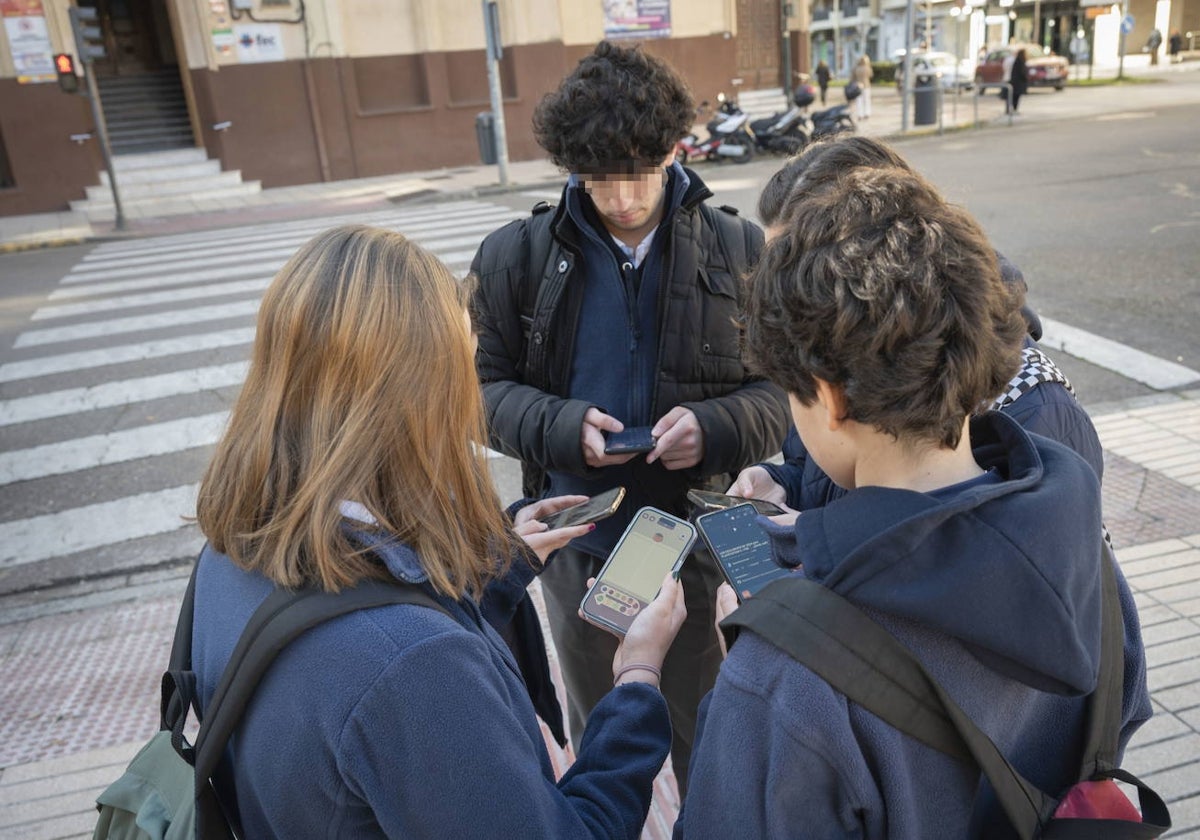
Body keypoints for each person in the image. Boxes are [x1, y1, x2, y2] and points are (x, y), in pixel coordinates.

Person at [675, 164, 1152, 838]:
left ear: (830, 397)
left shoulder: (783, 680)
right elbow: (1118, 718)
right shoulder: (1084, 555)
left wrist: (754, 688)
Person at [191, 224, 689, 838]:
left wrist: (499, 573)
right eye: (462, 371)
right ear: (417, 401)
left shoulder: (228, 551)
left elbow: (354, 638)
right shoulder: (417, 667)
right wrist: (637, 679)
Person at [470, 41, 790, 795]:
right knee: (605, 730)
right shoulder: (514, 256)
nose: (619, 198)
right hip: (580, 539)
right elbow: (479, 392)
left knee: (710, 729)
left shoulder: (739, 247)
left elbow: (782, 393)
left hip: (709, 537)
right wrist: (559, 425)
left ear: (674, 149)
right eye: (596, 179)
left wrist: (714, 429)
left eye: (636, 175)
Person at [736, 137, 1105, 513]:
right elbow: (826, 470)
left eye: (795, 265)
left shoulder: (1039, 411)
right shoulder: (831, 350)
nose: (782, 294)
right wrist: (783, 482)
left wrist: (825, 554)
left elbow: (1000, 558)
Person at [853, 54, 873, 120]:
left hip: (858, 85)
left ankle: (860, 114)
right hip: (866, 85)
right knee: (867, 100)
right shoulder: (868, 68)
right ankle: (867, 113)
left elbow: (853, 77)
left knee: (859, 100)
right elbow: (871, 75)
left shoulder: (856, 68)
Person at [1009, 47, 1029, 114]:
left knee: (1015, 97)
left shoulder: (1018, 60)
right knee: (1015, 97)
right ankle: (1013, 109)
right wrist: (1026, 77)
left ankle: (1013, 109)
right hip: (1018, 83)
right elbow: (1022, 72)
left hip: (1017, 82)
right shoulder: (1020, 61)